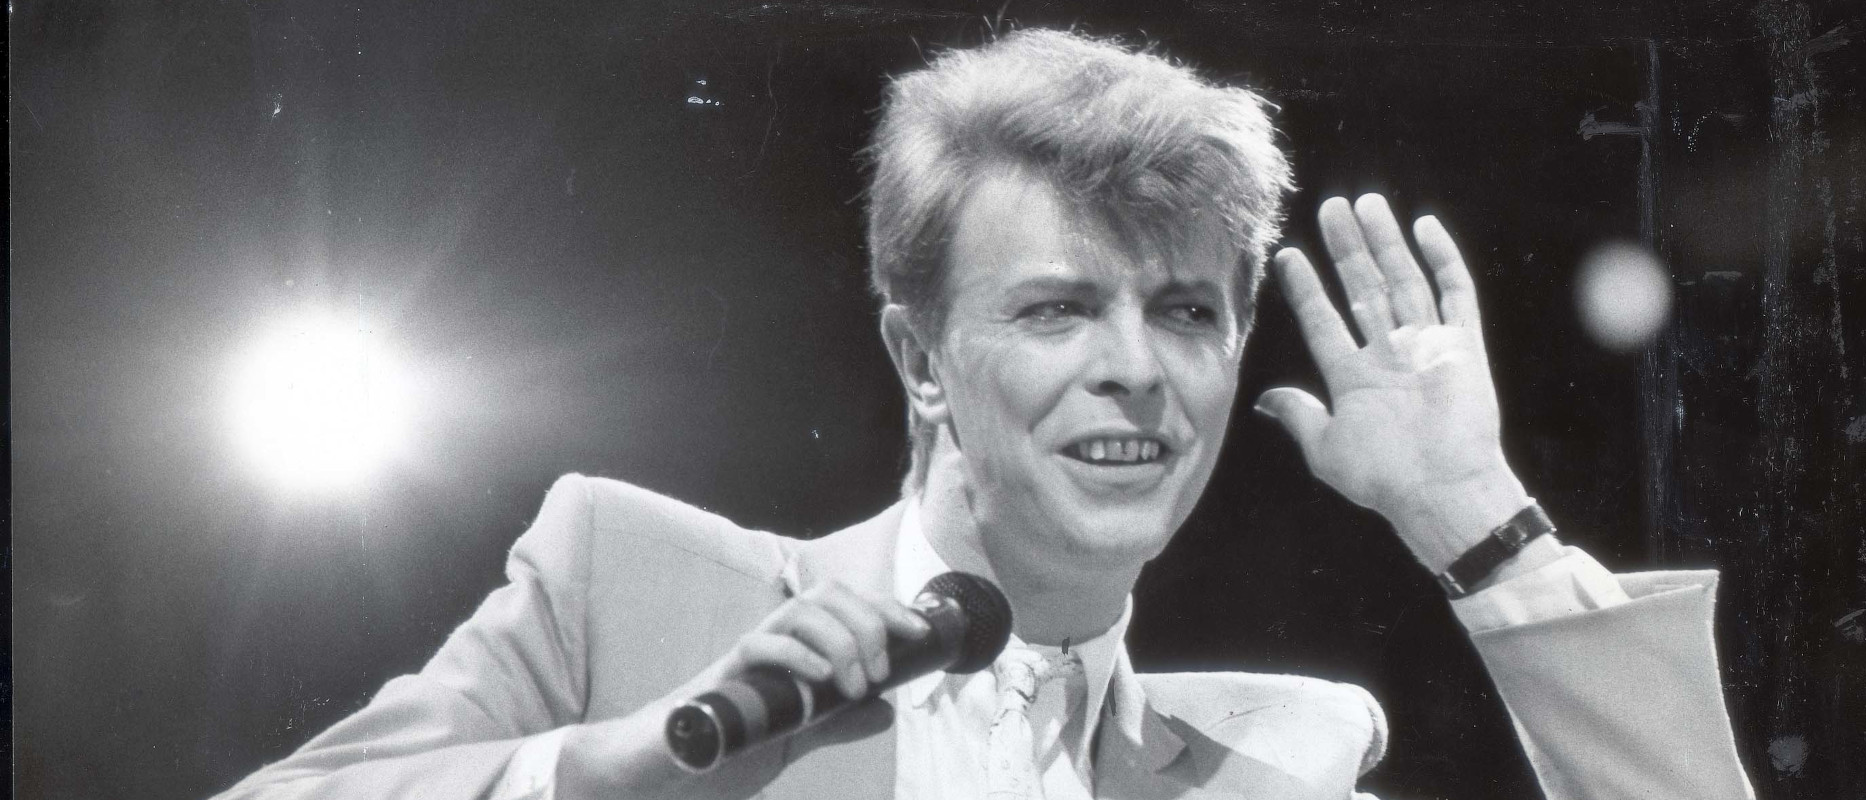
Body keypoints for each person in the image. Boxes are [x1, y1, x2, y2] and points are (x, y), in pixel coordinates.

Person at [214, 29, 1755, 800]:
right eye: (1059, 308)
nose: (1138, 367)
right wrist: (616, 770)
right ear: (921, 359)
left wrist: (1480, 524)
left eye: (1186, 313)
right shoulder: (631, 581)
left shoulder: (1280, 770)